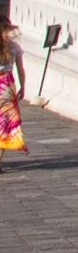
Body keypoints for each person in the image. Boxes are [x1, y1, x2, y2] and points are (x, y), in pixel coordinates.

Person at [0, 10, 27, 171]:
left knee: (3, 124)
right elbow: (20, 69)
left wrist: (23, 86)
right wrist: (23, 86)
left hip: (6, 88)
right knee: (3, 124)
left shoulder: (14, 47)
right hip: (7, 87)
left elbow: (21, 69)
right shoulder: (14, 47)